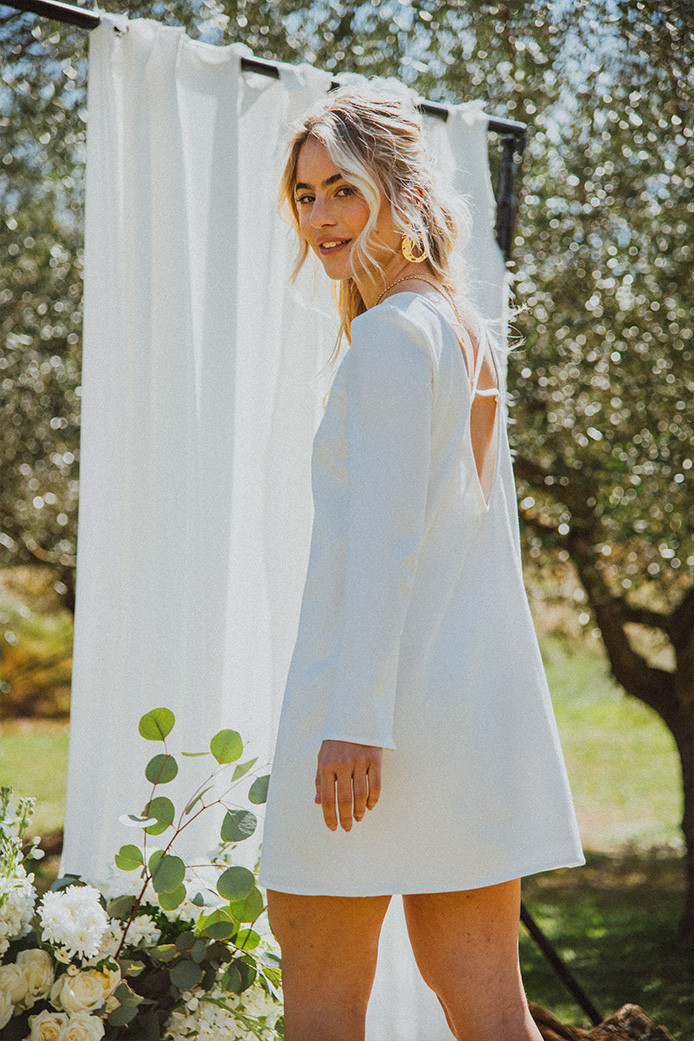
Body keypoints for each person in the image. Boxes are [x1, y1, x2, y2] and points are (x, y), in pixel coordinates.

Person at [257, 82, 584, 1041]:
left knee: (321, 1006)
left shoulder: (390, 337)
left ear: (401, 192)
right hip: (457, 715)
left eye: (342, 190)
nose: (321, 216)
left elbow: (387, 545)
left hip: (363, 731)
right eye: (306, 194)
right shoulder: (459, 327)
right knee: (488, 1004)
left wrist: (354, 723)